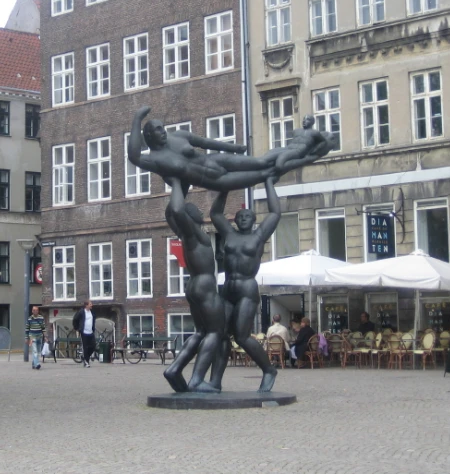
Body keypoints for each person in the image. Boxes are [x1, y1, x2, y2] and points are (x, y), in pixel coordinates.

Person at [127, 107, 335, 193]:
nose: (163, 131)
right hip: (215, 181)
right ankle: (310, 157)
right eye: (157, 130)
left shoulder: (178, 137)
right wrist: (137, 118)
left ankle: (296, 149)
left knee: (261, 161)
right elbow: (134, 156)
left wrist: (234, 148)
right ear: (148, 136)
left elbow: (208, 142)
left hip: (217, 161)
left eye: (162, 127)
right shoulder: (154, 160)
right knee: (266, 174)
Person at [211, 176, 280, 393]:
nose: (243, 219)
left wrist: (268, 182)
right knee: (220, 335)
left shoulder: (259, 236)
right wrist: (224, 188)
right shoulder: (229, 234)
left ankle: (268, 369)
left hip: (247, 289)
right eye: (240, 216)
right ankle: (214, 381)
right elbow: (215, 214)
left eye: (248, 217)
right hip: (227, 289)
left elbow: (275, 213)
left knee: (241, 336)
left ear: (253, 221)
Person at [162, 178, 228, 393]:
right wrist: (176, 183)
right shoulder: (194, 233)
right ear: (193, 218)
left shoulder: (184, 235)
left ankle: (175, 368)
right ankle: (197, 379)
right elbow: (178, 211)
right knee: (215, 333)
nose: (201, 213)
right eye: (197, 210)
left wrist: (182, 187)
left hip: (193, 285)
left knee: (200, 332)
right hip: (205, 286)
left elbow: (169, 213)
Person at [73, 300, 95, 368]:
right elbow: (75, 319)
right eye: (90, 304)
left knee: (93, 346)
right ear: (86, 305)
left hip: (90, 332)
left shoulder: (92, 312)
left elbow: (93, 320)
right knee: (85, 347)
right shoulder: (81, 312)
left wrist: (93, 327)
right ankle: (86, 362)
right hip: (84, 332)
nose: (92, 305)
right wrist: (77, 328)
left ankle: (85, 357)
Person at [25, 306, 46, 370]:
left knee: (39, 351)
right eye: (33, 310)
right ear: (32, 311)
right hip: (32, 336)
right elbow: (27, 329)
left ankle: (34, 363)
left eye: (36, 310)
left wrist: (45, 337)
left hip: (39, 336)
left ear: (38, 311)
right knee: (35, 351)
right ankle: (37, 364)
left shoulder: (41, 318)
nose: (35, 311)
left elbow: (43, 328)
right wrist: (26, 338)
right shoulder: (29, 319)